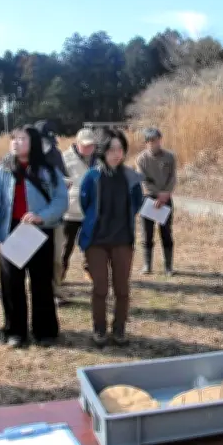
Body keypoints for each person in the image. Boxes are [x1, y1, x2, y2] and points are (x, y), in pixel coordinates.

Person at [0, 125, 68, 348]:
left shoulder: (48, 170)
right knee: (12, 284)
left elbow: (61, 200)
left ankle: (45, 331)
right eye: (14, 138)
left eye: (22, 138)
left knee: (41, 283)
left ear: (34, 143)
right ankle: (15, 332)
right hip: (11, 233)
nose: (16, 142)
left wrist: (42, 216)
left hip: (39, 232)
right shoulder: (2, 170)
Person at [79, 128, 144, 348]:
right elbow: (84, 202)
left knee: (122, 288)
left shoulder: (131, 177)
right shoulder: (92, 176)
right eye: (111, 149)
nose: (117, 154)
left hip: (123, 240)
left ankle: (119, 329)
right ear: (102, 151)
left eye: (120, 149)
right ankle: (99, 329)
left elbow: (137, 202)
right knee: (100, 288)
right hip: (96, 241)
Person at [33, 119, 69, 303]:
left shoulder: (56, 154)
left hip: (54, 218)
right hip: (31, 218)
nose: (47, 144)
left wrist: (64, 184)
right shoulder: (25, 157)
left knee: (55, 258)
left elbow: (63, 180)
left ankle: (55, 291)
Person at [136, 127, 177, 276]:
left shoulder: (170, 157)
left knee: (166, 232)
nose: (156, 144)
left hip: (166, 197)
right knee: (147, 233)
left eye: (158, 140)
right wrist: (156, 194)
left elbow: (173, 177)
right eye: (152, 141)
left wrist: (165, 194)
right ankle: (147, 265)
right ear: (146, 142)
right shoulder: (141, 159)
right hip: (148, 199)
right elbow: (144, 181)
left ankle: (168, 266)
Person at [61, 128, 97, 281]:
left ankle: (89, 269)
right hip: (71, 209)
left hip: (91, 209)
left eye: (91, 145)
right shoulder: (65, 157)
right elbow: (57, 179)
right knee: (66, 244)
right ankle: (60, 271)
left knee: (91, 243)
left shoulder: (99, 159)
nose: (89, 148)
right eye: (85, 145)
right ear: (77, 143)